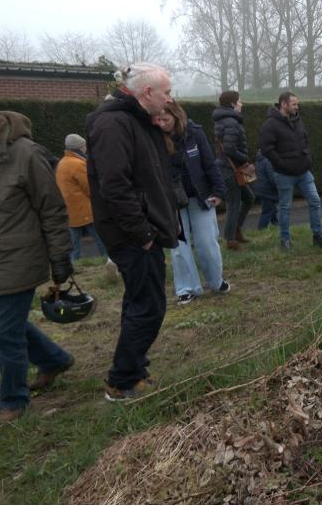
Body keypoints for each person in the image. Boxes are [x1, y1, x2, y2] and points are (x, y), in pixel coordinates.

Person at [0, 102, 75, 430]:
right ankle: (55, 360)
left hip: (15, 260)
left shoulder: (25, 153)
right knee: (3, 327)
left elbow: (52, 208)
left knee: (1, 333)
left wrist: (60, 257)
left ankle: (12, 401)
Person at [87, 62, 182, 402]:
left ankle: (133, 367)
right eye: (167, 93)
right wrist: (142, 233)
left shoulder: (136, 120)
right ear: (147, 93)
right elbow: (115, 187)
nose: (170, 100)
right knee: (149, 306)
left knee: (140, 300)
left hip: (142, 228)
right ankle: (122, 379)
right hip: (132, 233)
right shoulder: (113, 123)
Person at [154, 100, 227, 305]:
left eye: (165, 119)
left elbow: (209, 163)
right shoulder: (154, 136)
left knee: (207, 243)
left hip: (200, 196)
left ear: (177, 117)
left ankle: (216, 281)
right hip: (172, 201)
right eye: (158, 119)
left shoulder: (195, 133)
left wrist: (219, 191)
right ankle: (186, 289)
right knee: (178, 246)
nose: (161, 123)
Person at [259, 92, 322, 252]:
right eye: (294, 104)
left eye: (297, 104)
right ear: (283, 104)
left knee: (315, 200)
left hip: (303, 172)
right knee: (285, 207)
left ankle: (318, 235)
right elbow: (267, 149)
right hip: (283, 174)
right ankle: (285, 240)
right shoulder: (270, 124)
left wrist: (307, 157)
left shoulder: (297, 119)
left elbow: (305, 139)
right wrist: (281, 164)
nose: (297, 106)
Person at [212, 91, 256, 250]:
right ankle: (230, 240)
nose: (241, 104)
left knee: (249, 198)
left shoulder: (224, 120)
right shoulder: (231, 121)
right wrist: (244, 158)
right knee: (234, 204)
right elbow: (229, 149)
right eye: (239, 101)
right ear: (232, 104)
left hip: (229, 167)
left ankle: (236, 230)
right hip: (229, 169)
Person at [57, 133, 104, 263]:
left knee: (73, 246)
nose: (85, 148)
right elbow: (90, 188)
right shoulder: (78, 164)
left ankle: (73, 268)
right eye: (83, 146)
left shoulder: (62, 163)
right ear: (78, 148)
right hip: (85, 210)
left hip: (70, 211)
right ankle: (105, 263)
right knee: (101, 240)